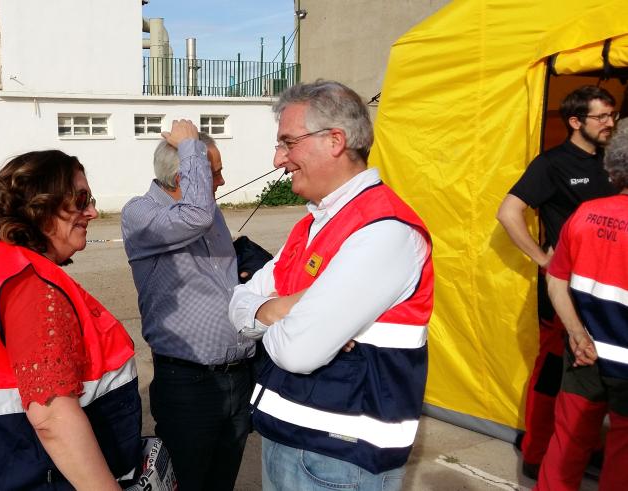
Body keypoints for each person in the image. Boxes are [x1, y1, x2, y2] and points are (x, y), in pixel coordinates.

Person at [228, 80, 434, 490]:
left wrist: (273, 312)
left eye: (288, 143)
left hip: (339, 461)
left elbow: (297, 351)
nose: (277, 159)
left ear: (335, 140)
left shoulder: (385, 230)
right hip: (292, 442)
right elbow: (235, 307)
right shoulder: (312, 224)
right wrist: (291, 310)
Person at [0, 150, 142, 490]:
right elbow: (52, 417)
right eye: (80, 200)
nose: (91, 211)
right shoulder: (29, 285)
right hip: (33, 476)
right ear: (40, 207)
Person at [120, 120, 254, 491]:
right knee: (187, 482)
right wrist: (190, 145)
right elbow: (194, 215)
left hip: (237, 377)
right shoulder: (141, 213)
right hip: (190, 384)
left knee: (220, 482)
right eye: (215, 172)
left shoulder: (208, 212)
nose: (222, 181)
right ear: (185, 176)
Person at [496, 85, 618, 478]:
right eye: (601, 117)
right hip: (562, 291)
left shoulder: (609, 162)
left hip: (604, 292)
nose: (610, 124)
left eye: (612, 116)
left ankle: (587, 448)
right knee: (554, 372)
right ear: (575, 121)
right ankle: (536, 452)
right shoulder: (551, 164)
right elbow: (508, 211)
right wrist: (542, 258)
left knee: (597, 376)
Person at [536, 124, 628, 490]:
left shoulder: (586, 213)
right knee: (622, 456)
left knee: (567, 442)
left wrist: (576, 333)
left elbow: (555, 278)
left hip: (583, 351)